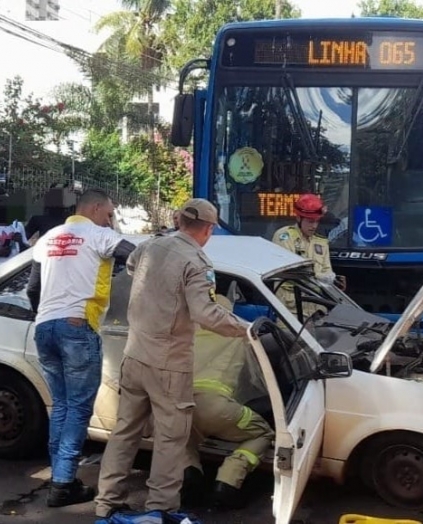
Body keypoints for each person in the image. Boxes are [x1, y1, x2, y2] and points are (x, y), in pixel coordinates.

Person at [95, 198, 250, 519]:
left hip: (134, 356)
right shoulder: (197, 262)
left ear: (179, 221)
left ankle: (107, 502)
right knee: (171, 438)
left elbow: (133, 267)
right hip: (169, 364)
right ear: (208, 229)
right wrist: (246, 330)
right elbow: (206, 313)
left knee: (125, 432)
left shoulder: (151, 247)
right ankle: (161, 509)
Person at [25, 188, 136, 508]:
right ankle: (61, 484)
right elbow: (138, 257)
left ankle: (62, 479)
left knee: (60, 406)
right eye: (110, 213)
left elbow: (34, 289)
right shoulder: (99, 235)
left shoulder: (48, 238)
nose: (111, 218)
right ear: (97, 208)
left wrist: (48, 316)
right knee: (77, 409)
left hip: (45, 328)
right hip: (78, 327)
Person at [183, 295, 274, 509]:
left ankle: (189, 473)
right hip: (219, 408)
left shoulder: (185, 334)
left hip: (183, 404)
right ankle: (227, 481)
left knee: (182, 436)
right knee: (263, 433)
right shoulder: (237, 335)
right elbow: (255, 377)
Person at [272, 194, 345, 316]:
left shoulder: (321, 242)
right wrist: (320, 277)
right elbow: (291, 271)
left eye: (317, 221)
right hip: (291, 310)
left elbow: (327, 271)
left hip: (317, 310)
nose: (314, 226)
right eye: (310, 221)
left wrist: (333, 279)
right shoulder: (285, 237)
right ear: (299, 218)